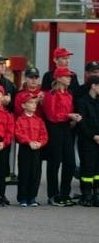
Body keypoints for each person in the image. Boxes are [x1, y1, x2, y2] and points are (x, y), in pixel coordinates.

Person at [42, 66, 81, 207]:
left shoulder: (69, 94)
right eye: (66, 76)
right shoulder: (51, 95)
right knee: (55, 162)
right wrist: (68, 116)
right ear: (58, 78)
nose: (69, 78)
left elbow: (69, 111)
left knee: (70, 162)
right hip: (54, 129)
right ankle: (53, 195)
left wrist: (72, 119)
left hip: (65, 128)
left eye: (70, 76)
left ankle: (65, 193)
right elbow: (51, 115)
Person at [15, 93, 48, 207]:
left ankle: (32, 197)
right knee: (24, 173)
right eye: (30, 103)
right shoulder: (20, 119)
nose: (33, 105)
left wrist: (40, 143)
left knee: (35, 173)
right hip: (25, 149)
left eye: (34, 103)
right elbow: (18, 133)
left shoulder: (39, 120)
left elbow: (44, 135)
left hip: (37, 149)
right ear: (23, 105)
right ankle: (23, 198)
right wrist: (29, 142)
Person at [76, 75, 99, 207]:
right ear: (93, 86)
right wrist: (93, 136)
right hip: (88, 140)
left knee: (97, 169)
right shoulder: (82, 102)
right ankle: (86, 194)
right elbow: (82, 123)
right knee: (87, 168)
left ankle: (96, 193)